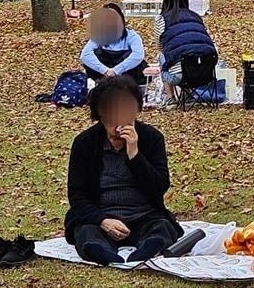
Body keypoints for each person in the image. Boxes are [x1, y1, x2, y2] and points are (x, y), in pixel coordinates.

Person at [64, 76, 182, 265]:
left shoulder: (151, 138)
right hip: (100, 217)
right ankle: (100, 251)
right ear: (99, 115)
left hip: (144, 215)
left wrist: (134, 153)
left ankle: (149, 249)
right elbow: (77, 195)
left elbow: (159, 187)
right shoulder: (85, 143)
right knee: (86, 233)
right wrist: (102, 220)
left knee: (161, 228)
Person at [156, 0, 217, 98]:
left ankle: (170, 97)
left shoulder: (161, 19)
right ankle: (187, 94)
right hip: (206, 72)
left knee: (163, 55)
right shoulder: (196, 16)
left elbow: (160, 47)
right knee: (189, 51)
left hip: (179, 76)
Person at [80, 3, 147, 85]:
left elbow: (138, 55)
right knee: (96, 54)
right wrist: (105, 71)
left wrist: (116, 71)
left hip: (127, 77)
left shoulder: (131, 35)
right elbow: (85, 55)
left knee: (130, 57)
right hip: (104, 76)